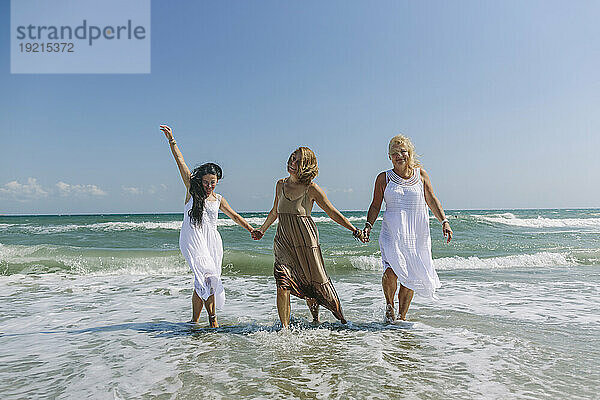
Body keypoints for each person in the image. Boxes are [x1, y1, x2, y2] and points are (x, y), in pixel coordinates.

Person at [160, 124, 260, 327]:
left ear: (217, 181)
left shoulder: (219, 199)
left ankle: (194, 322)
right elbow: (180, 162)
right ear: (200, 180)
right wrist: (172, 140)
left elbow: (234, 216)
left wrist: (251, 229)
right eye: (206, 182)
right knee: (207, 278)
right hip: (193, 238)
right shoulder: (192, 191)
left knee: (203, 283)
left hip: (212, 242)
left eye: (212, 182)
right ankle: (213, 321)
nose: (209, 186)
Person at [253, 147, 363, 328]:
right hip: (284, 241)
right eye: (291, 158)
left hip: (306, 242)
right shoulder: (280, 185)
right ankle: (285, 330)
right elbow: (275, 211)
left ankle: (339, 322)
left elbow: (332, 212)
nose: (292, 162)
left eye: (298, 161)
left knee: (314, 282)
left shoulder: (311, 188)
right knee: (283, 282)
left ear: (306, 166)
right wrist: (262, 230)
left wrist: (354, 230)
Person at [362, 134, 452, 322]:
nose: (399, 155)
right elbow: (375, 205)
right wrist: (368, 226)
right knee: (390, 271)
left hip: (416, 233)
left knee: (411, 274)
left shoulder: (421, 175)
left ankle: (401, 317)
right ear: (390, 157)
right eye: (395, 153)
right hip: (392, 232)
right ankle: (389, 306)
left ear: (409, 153)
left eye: (403, 151)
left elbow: (432, 200)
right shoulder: (383, 178)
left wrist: (444, 221)